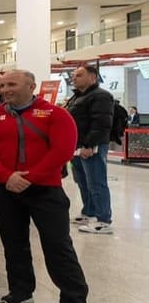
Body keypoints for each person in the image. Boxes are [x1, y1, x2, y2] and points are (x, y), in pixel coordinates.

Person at [0, 69, 89, 303]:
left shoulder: (56, 115)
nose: (6, 90)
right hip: (6, 190)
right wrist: (6, 176)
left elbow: (62, 151)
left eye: (12, 84)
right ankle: (21, 290)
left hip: (45, 191)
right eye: (3, 85)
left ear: (32, 86)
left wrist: (29, 177)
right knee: (14, 244)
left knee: (57, 247)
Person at [65, 64, 114, 235]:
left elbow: (101, 124)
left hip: (90, 146)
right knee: (82, 181)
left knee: (96, 182)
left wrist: (89, 145)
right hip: (76, 146)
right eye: (74, 75)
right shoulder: (78, 97)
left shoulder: (101, 96)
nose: (74, 78)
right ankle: (89, 212)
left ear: (92, 77)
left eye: (79, 75)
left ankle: (103, 220)